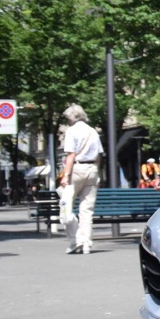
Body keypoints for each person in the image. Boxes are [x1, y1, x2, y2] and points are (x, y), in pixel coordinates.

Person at [59, 104, 103, 254]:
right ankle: (86, 243)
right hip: (92, 169)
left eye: (67, 118)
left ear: (72, 117)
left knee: (65, 206)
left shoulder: (72, 131)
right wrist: (97, 173)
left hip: (76, 170)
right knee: (87, 210)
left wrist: (66, 175)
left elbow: (70, 155)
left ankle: (75, 240)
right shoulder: (93, 131)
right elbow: (98, 155)